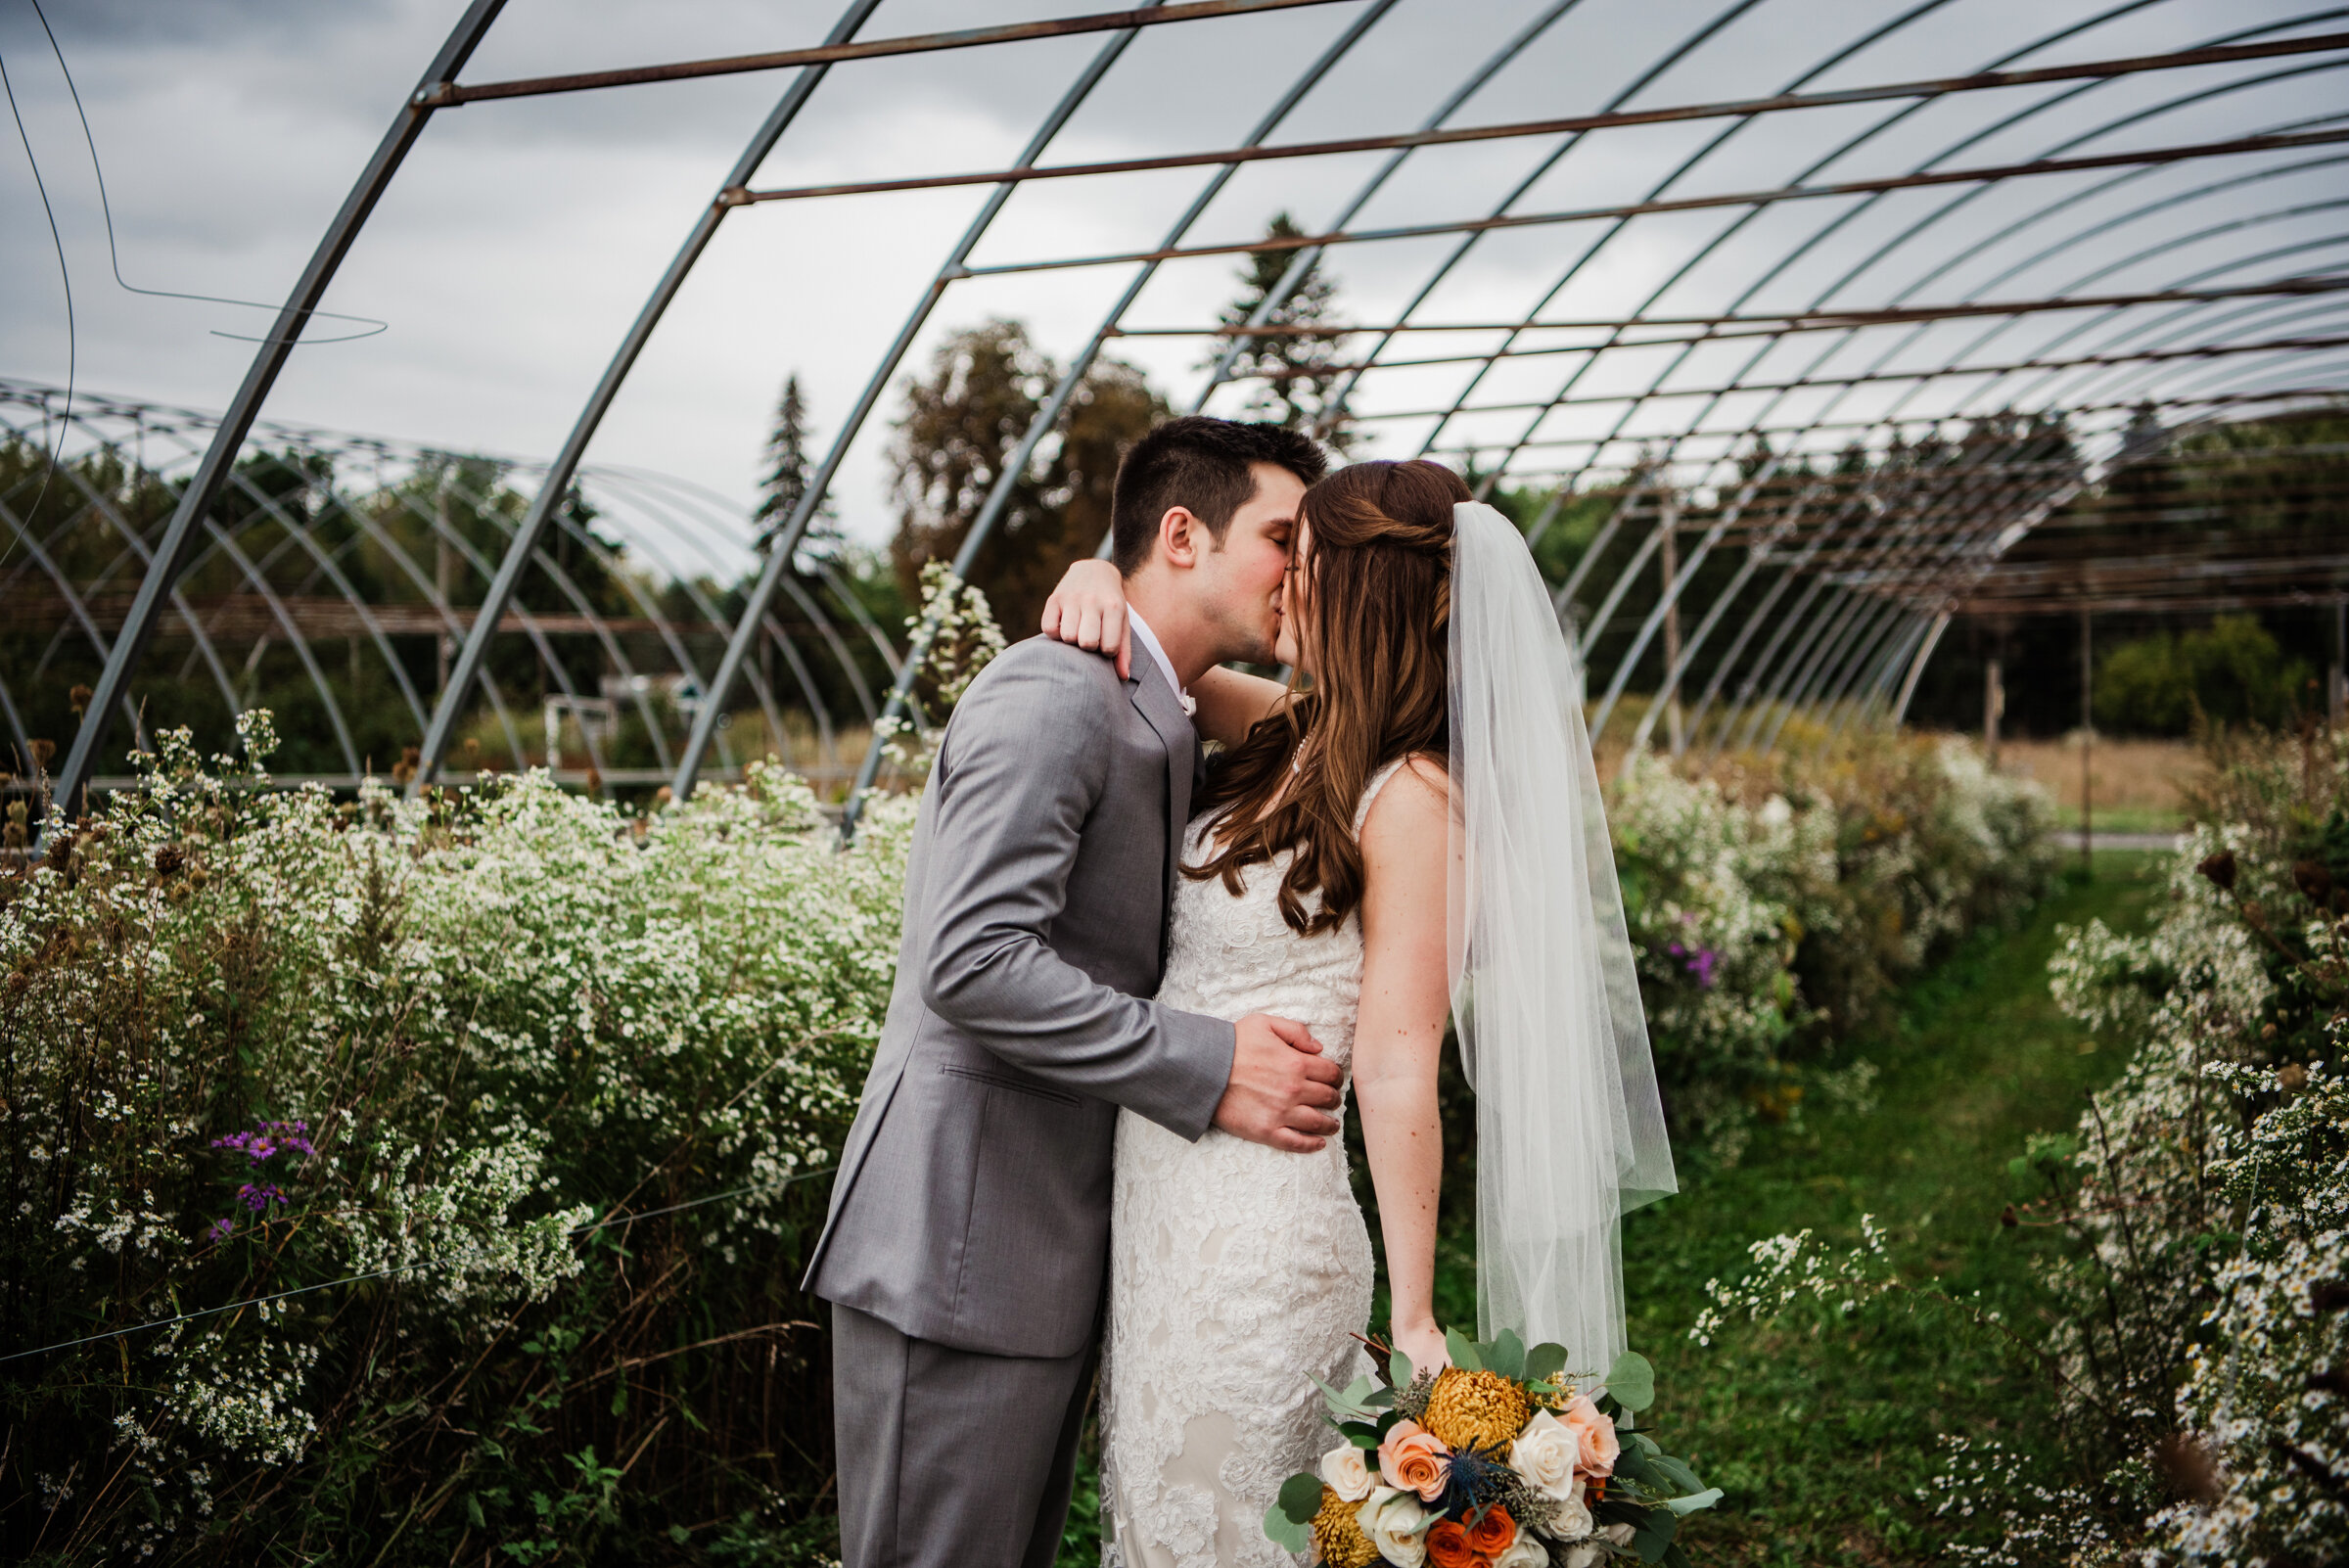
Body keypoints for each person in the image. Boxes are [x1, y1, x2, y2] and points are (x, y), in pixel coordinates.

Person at [1040, 458, 1676, 1567]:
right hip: (1162, 1231)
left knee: (1236, 1533)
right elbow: (1159, 666)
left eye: (1306, 557)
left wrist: (1420, 1317)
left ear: (1362, 592)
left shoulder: (1417, 798)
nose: (1283, 580)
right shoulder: (1295, 736)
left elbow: (1395, 1062)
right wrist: (1098, 570)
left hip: (1266, 1244)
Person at [802, 416, 1345, 1568]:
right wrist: (1210, 1062)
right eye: (1283, 536)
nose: (1304, 568)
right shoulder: (1053, 692)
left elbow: (1355, 722)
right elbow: (975, 960)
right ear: (1184, 534)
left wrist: (1104, 567)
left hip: (1038, 1255)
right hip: (959, 1245)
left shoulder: (1160, 707)